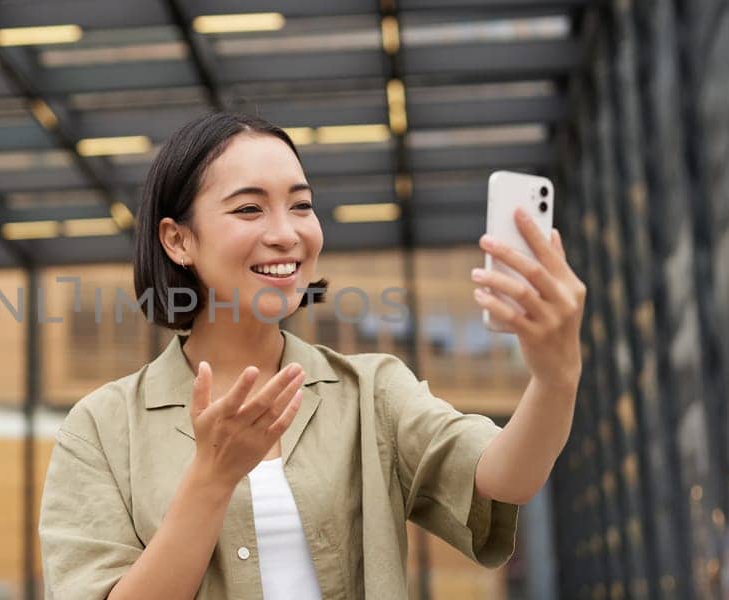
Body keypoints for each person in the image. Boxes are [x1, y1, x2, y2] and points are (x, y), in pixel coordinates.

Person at [38, 112, 586, 599]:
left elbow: (507, 476)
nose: (286, 233)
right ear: (178, 240)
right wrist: (212, 476)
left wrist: (556, 375)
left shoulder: (372, 391)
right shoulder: (101, 430)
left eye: (301, 205)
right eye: (249, 208)